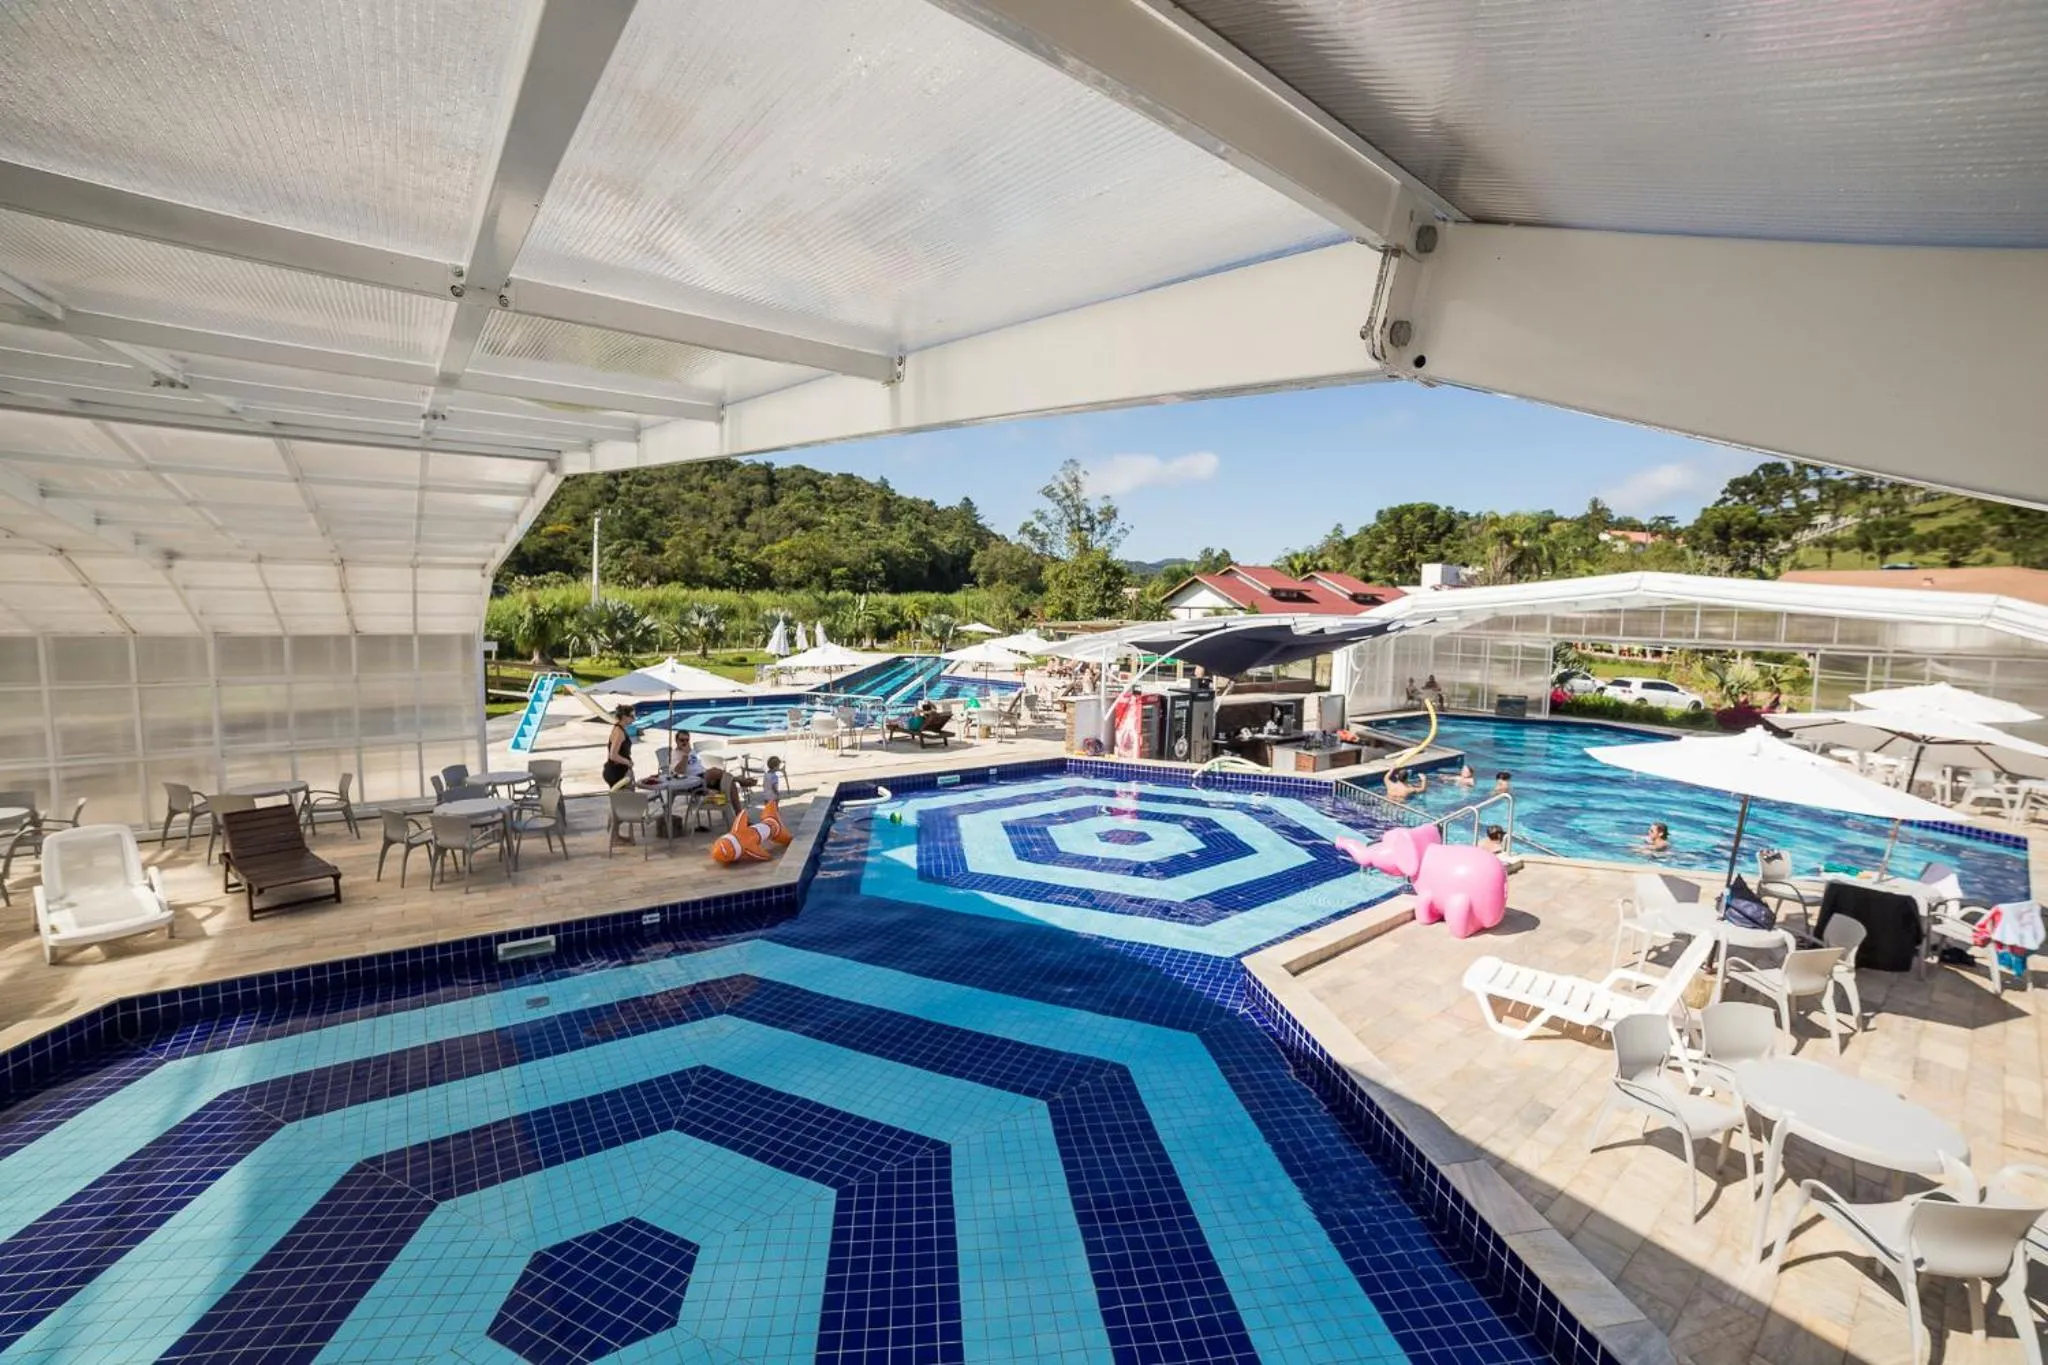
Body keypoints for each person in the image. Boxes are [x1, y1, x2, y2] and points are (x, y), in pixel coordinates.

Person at [602, 705, 636, 790]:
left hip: (618, 770)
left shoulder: (619, 729)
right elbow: (613, 755)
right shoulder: (619, 732)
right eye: (631, 716)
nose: (634, 719)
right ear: (624, 717)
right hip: (617, 772)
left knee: (623, 800)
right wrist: (628, 762)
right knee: (625, 800)